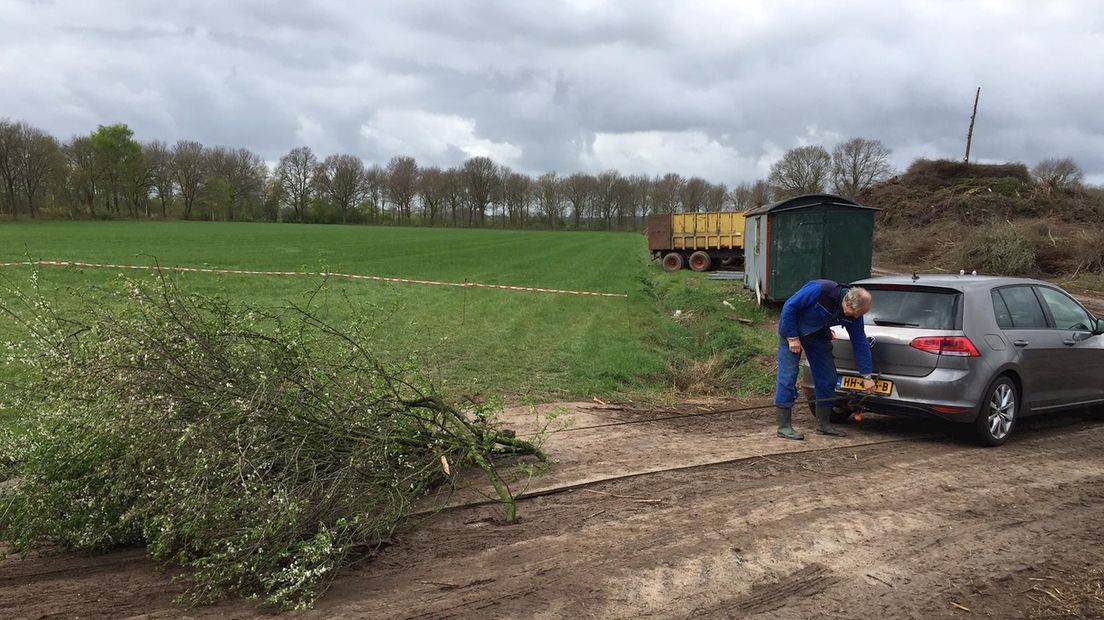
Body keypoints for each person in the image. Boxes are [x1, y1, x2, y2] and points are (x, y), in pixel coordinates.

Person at [774, 280, 874, 440]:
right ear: (847, 302)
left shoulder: (855, 313)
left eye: (859, 315)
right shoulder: (822, 291)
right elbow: (789, 306)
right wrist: (792, 337)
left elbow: (860, 341)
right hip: (791, 332)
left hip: (817, 336)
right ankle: (784, 426)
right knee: (788, 376)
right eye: (854, 313)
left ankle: (824, 425)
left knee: (827, 378)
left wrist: (867, 375)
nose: (856, 317)